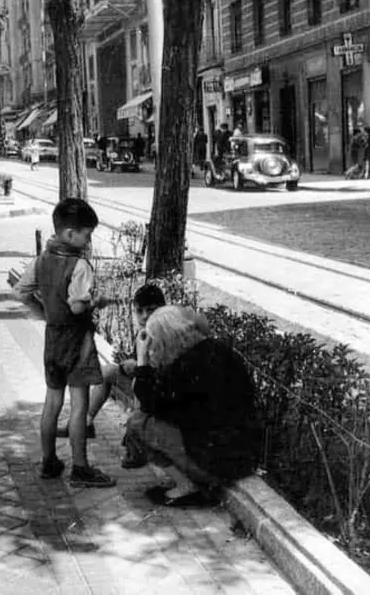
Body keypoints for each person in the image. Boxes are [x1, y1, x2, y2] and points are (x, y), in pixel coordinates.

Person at [14, 198, 116, 488]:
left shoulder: (42, 259)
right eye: (87, 234)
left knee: (52, 401)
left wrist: (45, 314)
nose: (88, 240)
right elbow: (77, 308)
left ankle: (49, 461)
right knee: (80, 405)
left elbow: (21, 292)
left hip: (53, 338)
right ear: (71, 234)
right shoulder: (79, 265)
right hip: (77, 341)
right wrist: (98, 301)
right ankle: (81, 468)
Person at [122, 305, 262, 505]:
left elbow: (148, 403)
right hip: (244, 456)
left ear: (166, 340)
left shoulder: (186, 366)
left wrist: (142, 360)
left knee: (137, 423)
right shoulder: (216, 349)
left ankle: (187, 486)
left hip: (217, 463)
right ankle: (190, 479)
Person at [56, 283, 166, 441]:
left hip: (157, 395)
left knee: (135, 385)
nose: (144, 316)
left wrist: (136, 366)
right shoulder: (144, 332)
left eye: (150, 310)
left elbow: (159, 371)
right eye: (139, 311)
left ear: (162, 309)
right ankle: (84, 423)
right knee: (107, 372)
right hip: (144, 383)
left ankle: (136, 438)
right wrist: (131, 363)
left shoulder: (164, 333)